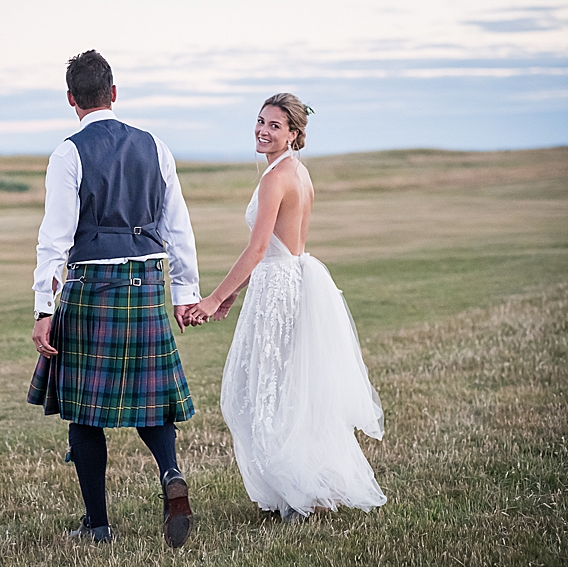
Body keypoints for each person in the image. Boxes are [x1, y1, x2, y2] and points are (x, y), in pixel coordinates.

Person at [27, 50, 200, 547]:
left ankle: (99, 526)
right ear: (114, 93)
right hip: (147, 284)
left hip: (92, 289)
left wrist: (43, 306)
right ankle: (169, 472)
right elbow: (178, 227)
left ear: (71, 99)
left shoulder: (68, 153)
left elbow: (53, 239)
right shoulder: (156, 146)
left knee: (83, 411)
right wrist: (184, 293)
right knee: (152, 402)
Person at [186, 93, 387, 521]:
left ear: (294, 134)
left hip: (279, 286)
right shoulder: (297, 172)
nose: (263, 130)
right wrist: (238, 292)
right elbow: (276, 245)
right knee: (286, 385)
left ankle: (298, 489)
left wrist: (214, 298)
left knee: (266, 391)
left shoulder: (274, 178)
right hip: (287, 278)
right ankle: (297, 489)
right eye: (260, 121)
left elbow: (259, 249)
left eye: (275, 125)